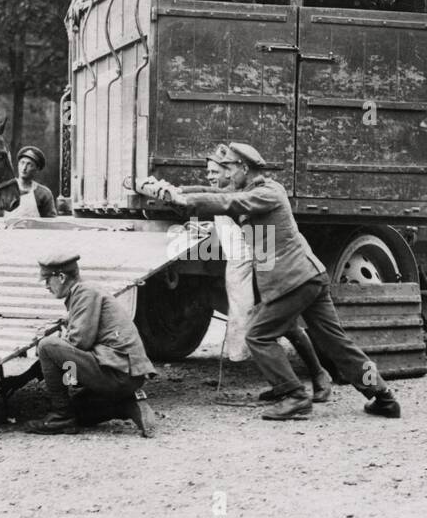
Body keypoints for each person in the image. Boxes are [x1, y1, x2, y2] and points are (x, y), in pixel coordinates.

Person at [156, 142, 401, 422]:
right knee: (336, 343)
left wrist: (186, 201)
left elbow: (229, 203)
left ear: (244, 168)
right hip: (307, 277)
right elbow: (217, 193)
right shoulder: (250, 190)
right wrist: (174, 191)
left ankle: (294, 396)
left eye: (228, 168)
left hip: (292, 280)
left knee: (258, 336)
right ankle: (384, 398)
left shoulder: (268, 192)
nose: (223, 174)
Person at [179, 147, 332, 402]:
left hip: (262, 264)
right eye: (210, 171)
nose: (212, 176)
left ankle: (317, 375)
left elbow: (221, 201)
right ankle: (286, 383)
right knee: (270, 327)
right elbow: (208, 194)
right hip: (245, 265)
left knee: (285, 326)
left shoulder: (245, 194)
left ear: (236, 171)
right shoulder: (230, 191)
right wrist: (177, 193)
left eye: (219, 170)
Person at [27, 251, 156, 434]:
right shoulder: (84, 292)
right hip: (123, 372)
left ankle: (61, 417)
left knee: (47, 346)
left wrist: (65, 370)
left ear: (62, 277)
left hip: (118, 372)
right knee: (80, 411)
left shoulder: (85, 293)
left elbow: (78, 343)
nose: (47, 286)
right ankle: (128, 406)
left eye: (48, 280)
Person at [0, 145, 58, 217]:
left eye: (29, 164)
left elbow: (50, 222)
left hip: (34, 228)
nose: (24, 168)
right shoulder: (5, 189)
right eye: (22, 163)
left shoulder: (43, 194)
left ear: (37, 169)